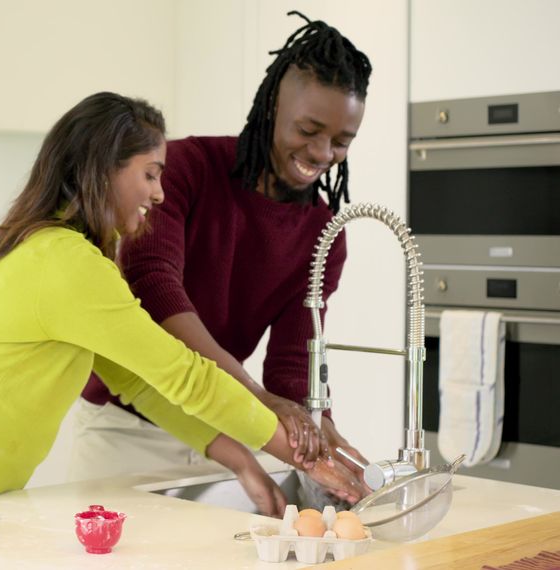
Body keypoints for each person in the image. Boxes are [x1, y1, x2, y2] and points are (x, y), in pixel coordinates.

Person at [0, 92, 314, 512]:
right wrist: (293, 452)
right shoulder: (66, 261)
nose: (159, 192)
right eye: (150, 174)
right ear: (103, 169)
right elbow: (184, 375)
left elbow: (135, 381)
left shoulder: (70, 255)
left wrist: (241, 461)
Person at [71, 12, 373, 516]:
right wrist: (256, 396)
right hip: (127, 430)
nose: (322, 153)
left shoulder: (324, 234)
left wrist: (332, 444)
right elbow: (152, 287)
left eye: (342, 141)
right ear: (273, 106)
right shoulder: (187, 168)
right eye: (308, 129)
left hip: (223, 428)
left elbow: (292, 371)